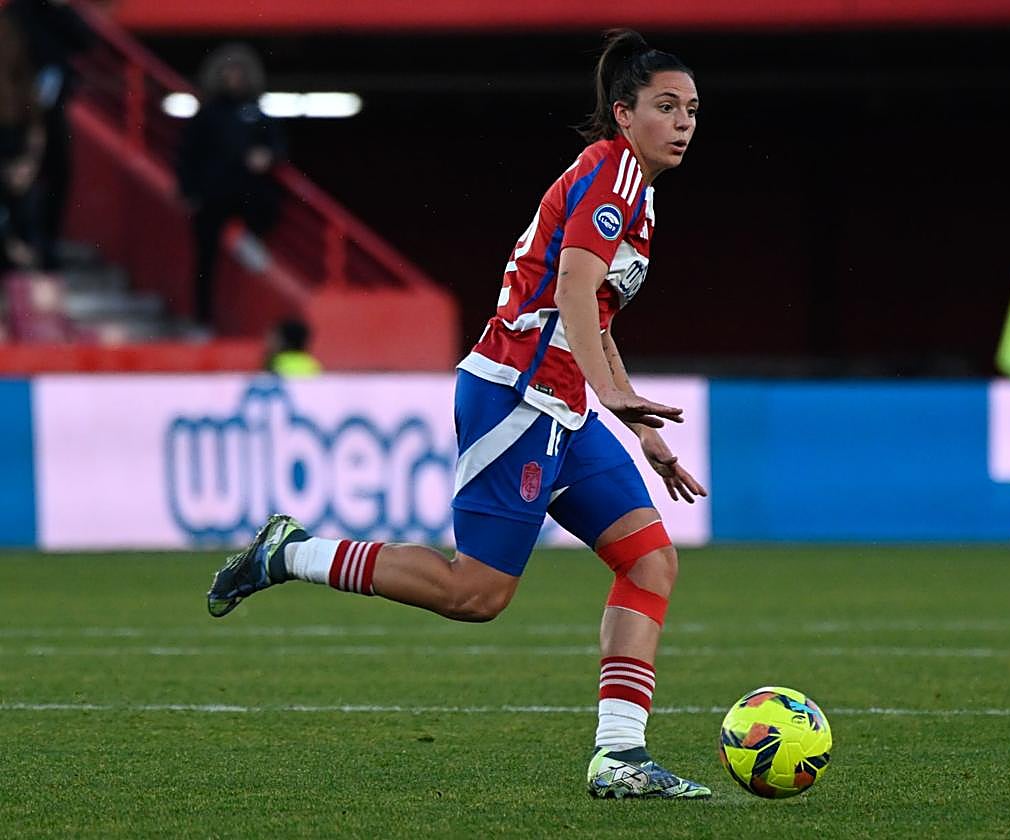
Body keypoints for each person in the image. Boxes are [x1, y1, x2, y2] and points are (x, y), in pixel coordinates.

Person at [206, 29, 706, 799]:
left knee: (649, 560)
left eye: (692, 111)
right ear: (623, 113)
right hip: (517, 397)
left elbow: (596, 320)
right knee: (476, 593)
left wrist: (637, 428)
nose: (682, 123)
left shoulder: (633, 191)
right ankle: (291, 553)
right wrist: (612, 398)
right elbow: (574, 293)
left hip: (562, 405)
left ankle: (620, 757)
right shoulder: (611, 179)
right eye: (665, 107)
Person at [175, 43, 284, 329]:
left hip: (246, 192)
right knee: (206, 260)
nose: (233, 77)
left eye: (239, 72)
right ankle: (203, 319)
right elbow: (186, 154)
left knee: (268, 206)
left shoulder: (257, 113)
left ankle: (248, 237)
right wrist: (187, 190)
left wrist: (267, 156)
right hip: (211, 194)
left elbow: (277, 146)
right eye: (228, 71)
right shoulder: (207, 113)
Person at [3, 0, 91, 270]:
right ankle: (15, 245)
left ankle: (44, 244)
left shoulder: (59, 14)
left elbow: (85, 41)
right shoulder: (15, 17)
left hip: (44, 113)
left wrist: (62, 10)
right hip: (14, 117)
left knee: (56, 175)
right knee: (15, 184)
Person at [0, 14, 43, 274]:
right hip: (7, 173)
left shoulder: (23, 88)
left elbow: (37, 129)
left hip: (18, 170)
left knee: (26, 211)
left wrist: (27, 166)